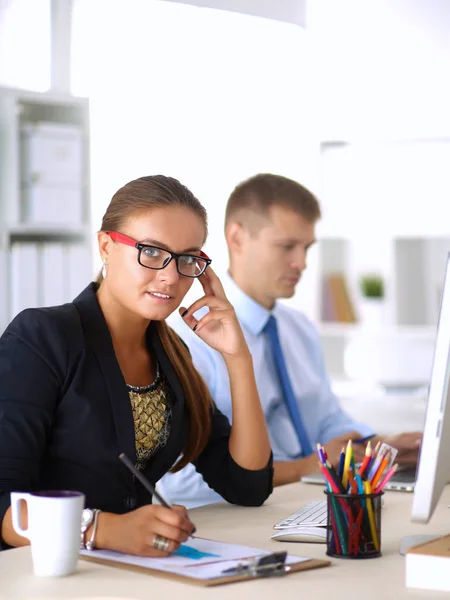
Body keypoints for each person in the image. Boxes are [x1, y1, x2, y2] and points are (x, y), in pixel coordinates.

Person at [0, 175, 273, 555]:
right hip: (45, 571)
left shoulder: (172, 354)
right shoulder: (42, 336)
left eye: (187, 258)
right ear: (106, 247)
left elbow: (248, 485)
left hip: (134, 571)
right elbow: (3, 506)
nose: (171, 276)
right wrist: (103, 529)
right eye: (152, 252)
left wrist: (238, 358)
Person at [158, 173, 422, 508]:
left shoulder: (299, 329)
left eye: (307, 248)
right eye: (287, 247)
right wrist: (307, 467)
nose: (302, 263)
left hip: (306, 499)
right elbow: (181, 481)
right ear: (236, 238)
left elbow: (327, 419)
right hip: (232, 514)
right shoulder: (188, 340)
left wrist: (381, 446)